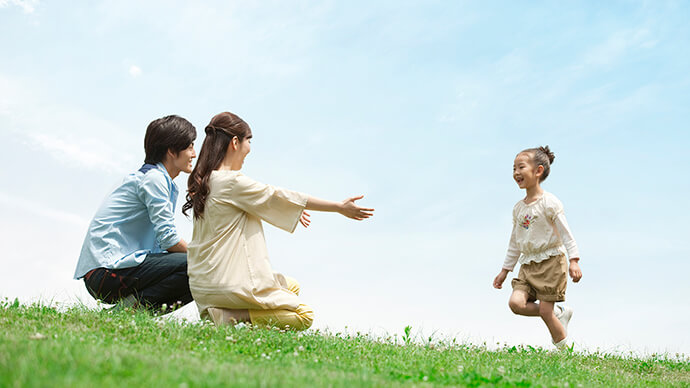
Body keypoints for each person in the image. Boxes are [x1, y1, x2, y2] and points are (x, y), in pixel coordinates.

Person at [184, 111, 374, 330]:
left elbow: (271, 200)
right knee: (304, 315)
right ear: (235, 142)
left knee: (291, 286)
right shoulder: (231, 182)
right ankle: (231, 317)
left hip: (203, 283)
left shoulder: (204, 182)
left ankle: (231, 315)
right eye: (249, 141)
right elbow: (277, 195)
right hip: (227, 283)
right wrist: (339, 207)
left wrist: (291, 207)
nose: (250, 149)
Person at [74, 115, 197, 311]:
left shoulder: (156, 179)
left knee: (199, 269)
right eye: (190, 146)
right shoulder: (154, 179)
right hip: (105, 273)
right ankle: (124, 313)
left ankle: (127, 315)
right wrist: (205, 255)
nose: (194, 154)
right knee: (198, 265)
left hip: (110, 270)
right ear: (172, 151)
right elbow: (169, 239)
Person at [492, 146, 582, 350]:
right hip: (528, 264)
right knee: (516, 303)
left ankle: (564, 352)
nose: (516, 173)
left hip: (551, 263)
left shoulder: (550, 203)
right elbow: (515, 242)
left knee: (545, 312)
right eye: (513, 168)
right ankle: (561, 313)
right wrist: (504, 271)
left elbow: (567, 234)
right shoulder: (519, 208)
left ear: (538, 171)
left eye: (520, 167)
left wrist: (574, 260)